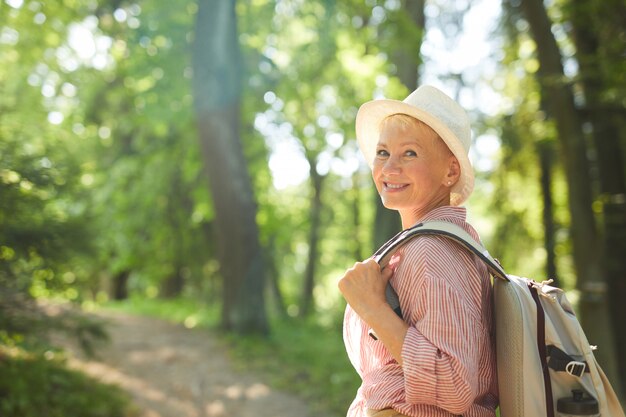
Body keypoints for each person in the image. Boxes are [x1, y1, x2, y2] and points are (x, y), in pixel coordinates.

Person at [338, 85, 498, 417]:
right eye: (382, 152)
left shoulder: (432, 252)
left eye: (409, 153)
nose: (389, 168)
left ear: (450, 171)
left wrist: (373, 308)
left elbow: (453, 385)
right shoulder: (431, 244)